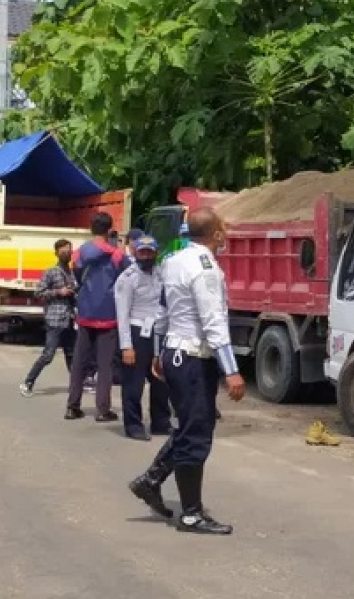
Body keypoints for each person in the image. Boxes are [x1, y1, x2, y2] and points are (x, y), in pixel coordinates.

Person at [128, 207, 245, 535]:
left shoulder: (172, 260)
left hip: (175, 353)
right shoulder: (204, 268)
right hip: (194, 357)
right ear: (216, 233)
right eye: (223, 226)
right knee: (197, 435)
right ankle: (191, 514)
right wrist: (231, 371)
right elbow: (214, 322)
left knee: (190, 428)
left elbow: (161, 311)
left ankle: (151, 480)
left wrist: (158, 353)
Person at [65, 211, 128, 421]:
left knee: (79, 363)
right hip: (108, 314)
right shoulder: (117, 255)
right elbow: (128, 277)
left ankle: (72, 406)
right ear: (109, 230)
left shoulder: (79, 253)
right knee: (105, 365)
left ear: (91, 229)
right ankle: (103, 410)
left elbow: (76, 276)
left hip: (85, 312)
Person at [115, 235, 173, 441]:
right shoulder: (127, 278)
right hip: (136, 332)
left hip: (159, 332)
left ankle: (160, 422)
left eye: (150, 252)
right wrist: (126, 346)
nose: (147, 256)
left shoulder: (161, 274)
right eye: (143, 252)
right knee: (134, 383)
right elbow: (122, 315)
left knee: (161, 380)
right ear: (135, 253)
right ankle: (133, 425)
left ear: (156, 253)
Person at [20, 239, 78, 397]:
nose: (67, 254)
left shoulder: (72, 273)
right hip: (54, 319)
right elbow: (38, 293)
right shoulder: (51, 272)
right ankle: (28, 382)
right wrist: (59, 292)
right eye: (63, 251)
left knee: (71, 354)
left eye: (69, 251)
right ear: (57, 253)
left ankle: (76, 385)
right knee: (48, 355)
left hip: (70, 319)